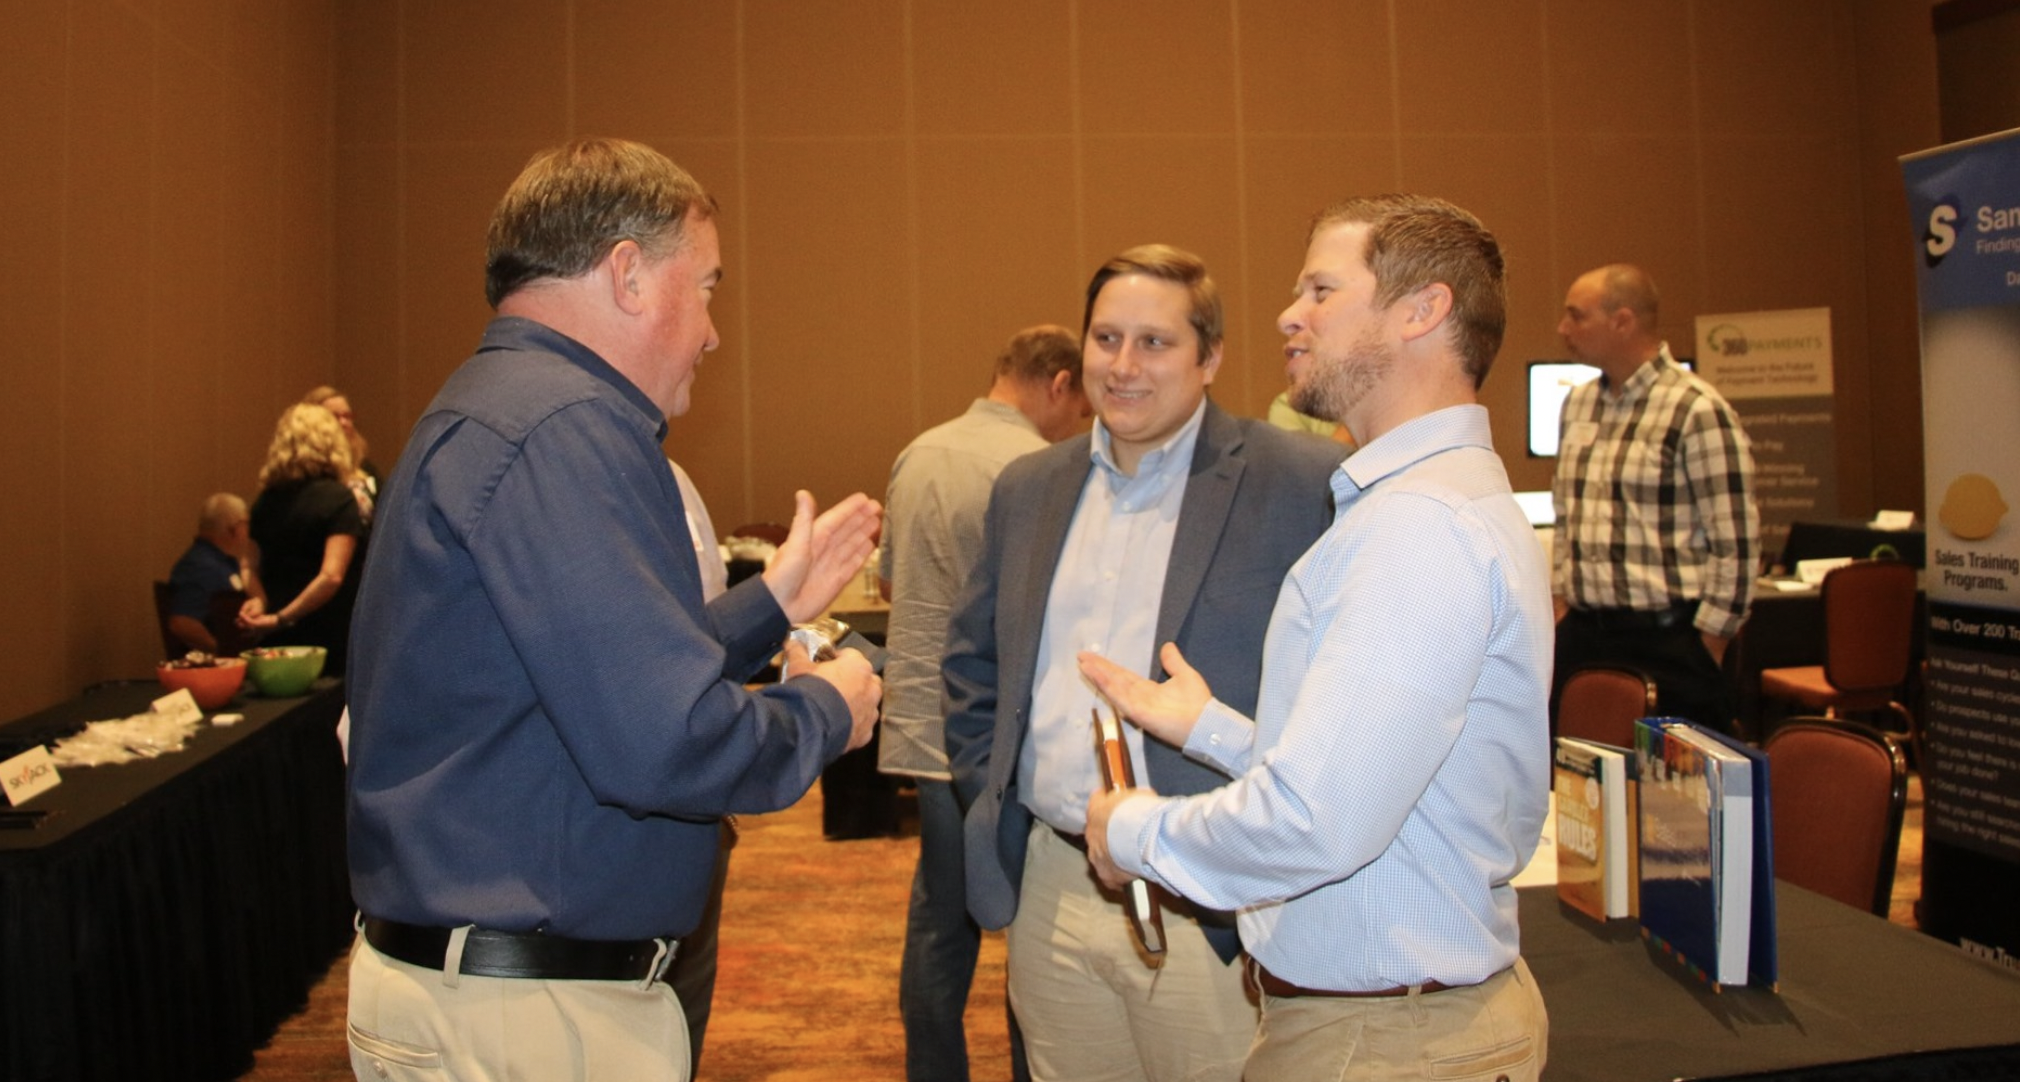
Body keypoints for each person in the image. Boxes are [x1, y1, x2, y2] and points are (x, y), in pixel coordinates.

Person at [342, 137, 883, 1082]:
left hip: (483, 997)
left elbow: (578, 681)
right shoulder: (567, 424)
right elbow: (664, 740)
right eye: (708, 285)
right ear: (629, 274)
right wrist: (829, 711)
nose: (714, 331)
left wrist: (773, 601)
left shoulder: (497, 406)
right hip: (530, 1022)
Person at [1078, 194, 1553, 1081]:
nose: (1289, 316)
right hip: (1395, 1027)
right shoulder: (1432, 503)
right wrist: (1211, 730)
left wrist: (1132, 829)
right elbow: (1378, 777)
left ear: (1423, 311)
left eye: (1322, 291)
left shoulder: (1418, 528)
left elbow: (1315, 822)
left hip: (1390, 1044)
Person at [943, 245, 1339, 1082]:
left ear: (1211, 358)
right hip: (1052, 883)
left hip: (1208, 898)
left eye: (1155, 343)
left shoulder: (1299, 484)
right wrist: (993, 788)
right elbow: (975, 665)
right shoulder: (1028, 487)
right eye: (1106, 339)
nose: (1123, 367)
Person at [880, 324, 1087, 1082]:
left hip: (922, 730)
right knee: (1033, 927)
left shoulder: (920, 450)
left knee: (940, 923)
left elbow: (892, 587)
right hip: (1002, 740)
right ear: (1060, 384)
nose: (1082, 424)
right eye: (1083, 406)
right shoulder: (1038, 467)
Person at [1550, 263, 1759, 734]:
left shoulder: (1696, 409)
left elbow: (1737, 542)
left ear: (1622, 321)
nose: (1563, 329)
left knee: (1673, 802)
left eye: (1576, 316)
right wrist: (1562, 598)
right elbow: (1566, 514)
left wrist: (1710, 641)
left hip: (1671, 641)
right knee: (1580, 785)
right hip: (1586, 637)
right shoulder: (1578, 404)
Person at [238, 402, 366, 674]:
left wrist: (260, 603)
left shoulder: (265, 501)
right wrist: (281, 618)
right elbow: (331, 576)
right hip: (329, 641)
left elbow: (248, 565)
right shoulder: (339, 499)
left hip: (278, 644)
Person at [163, 492, 265, 656]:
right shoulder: (202, 567)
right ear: (235, 529)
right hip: (213, 671)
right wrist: (222, 652)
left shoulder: (219, 561)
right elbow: (181, 623)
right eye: (247, 524)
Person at [303, 385, 382, 519]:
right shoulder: (307, 470)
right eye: (335, 416)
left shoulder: (365, 467)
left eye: (347, 416)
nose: (344, 423)